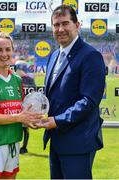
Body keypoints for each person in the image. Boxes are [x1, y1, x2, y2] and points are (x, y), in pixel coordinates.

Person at [36, 5, 106, 179]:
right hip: (57, 140)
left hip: (79, 142)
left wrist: (57, 121)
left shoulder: (90, 55)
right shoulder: (53, 56)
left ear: (77, 25)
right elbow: (54, 96)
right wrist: (36, 114)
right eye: (56, 25)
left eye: (65, 23)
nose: (60, 29)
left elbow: (89, 101)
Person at [0, 31, 43, 179]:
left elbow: (20, 113)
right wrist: (19, 117)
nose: (4, 54)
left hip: (13, 144)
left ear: (13, 51)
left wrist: (31, 120)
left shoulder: (17, 80)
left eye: (7, 49)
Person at [15, 56, 36, 154]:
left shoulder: (27, 79)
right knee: (18, 127)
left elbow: (33, 93)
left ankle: (24, 147)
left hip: (25, 107)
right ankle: (19, 147)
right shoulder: (14, 79)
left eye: (18, 69)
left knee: (25, 127)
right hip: (16, 107)